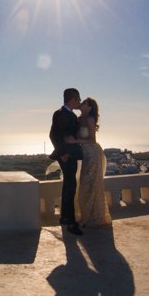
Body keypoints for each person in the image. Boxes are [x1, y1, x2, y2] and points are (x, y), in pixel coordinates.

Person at [49, 88, 84, 235]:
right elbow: (53, 135)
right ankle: (71, 223)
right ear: (73, 99)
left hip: (70, 155)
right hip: (66, 156)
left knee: (68, 186)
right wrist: (63, 153)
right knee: (71, 187)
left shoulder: (72, 115)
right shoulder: (60, 114)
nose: (80, 102)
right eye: (78, 99)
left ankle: (64, 217)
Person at [74, 98, 111, 228]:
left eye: (84, 103)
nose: (81, 103)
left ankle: (91, 217)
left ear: (89, 107)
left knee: (90, 185)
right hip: (84, 155)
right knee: (84, 185)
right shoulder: (79, 119)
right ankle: (87, 215)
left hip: (92, 155)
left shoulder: (89, 119)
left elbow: (92, 140)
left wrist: (74, 141)